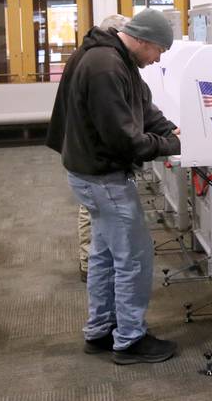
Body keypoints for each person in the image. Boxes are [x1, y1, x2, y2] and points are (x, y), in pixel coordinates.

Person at [46, 9, 180, 365]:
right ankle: (130, 339)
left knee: (105, 256)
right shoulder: (106, 66)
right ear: (143, 41)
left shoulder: (114, 58)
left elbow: (142, 105)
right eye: (159, 51)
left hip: (90, 172)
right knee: (135, 257)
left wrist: (169, 129)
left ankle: (101, 329)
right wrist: (169, 145)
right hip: (103, 176)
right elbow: (124, 139)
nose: (158, 59)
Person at [77, 14, 131, 283]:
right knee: (93, 213)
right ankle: (88, 261)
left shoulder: (89, 54)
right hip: (90, 158)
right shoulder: (103, 63)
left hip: (81, 151)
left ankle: (91, 261)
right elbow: (114, 129)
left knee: (95, 215)